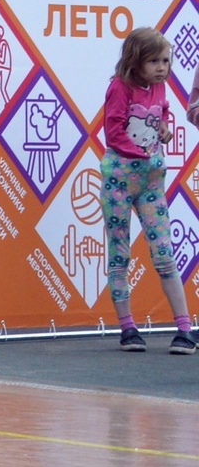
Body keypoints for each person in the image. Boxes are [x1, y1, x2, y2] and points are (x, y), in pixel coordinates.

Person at [99, 28, 195, 353]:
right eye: (153, 61)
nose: (161, 67)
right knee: (120, 251)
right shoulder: (119, 88)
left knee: (164, 250)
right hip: (120, 178)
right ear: (134, 61)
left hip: (151, 180)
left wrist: (165, 126)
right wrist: (143, 154)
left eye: (165, 61)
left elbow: (163, 109)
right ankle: (128, 327)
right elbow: (113, 133)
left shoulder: (158, 87)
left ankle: (184, 327)